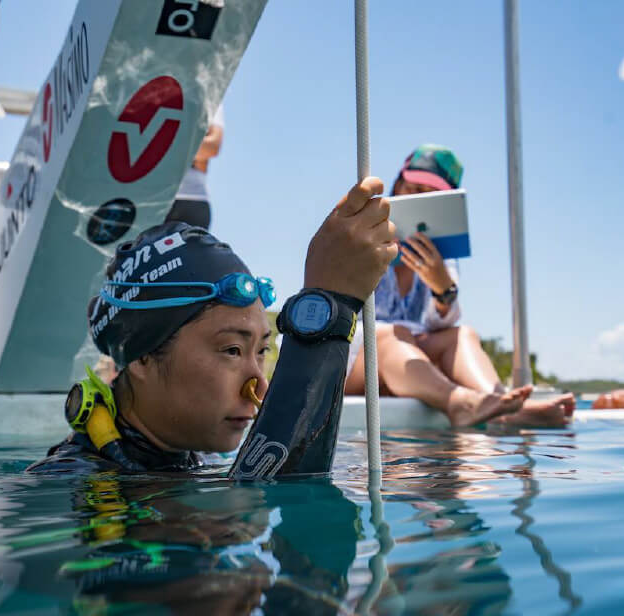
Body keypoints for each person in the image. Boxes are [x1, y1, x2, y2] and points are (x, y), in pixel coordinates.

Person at [28, 177, 397, 477]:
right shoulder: (69, 493)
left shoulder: (188, 464)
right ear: (141, 355)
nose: (259, 385)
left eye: (261, 351)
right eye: (232, 350)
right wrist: (329, 306)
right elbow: (283, 498)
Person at [344, 144, 575, 427]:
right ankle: (460, 404)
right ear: (398, 184)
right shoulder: (363, 238)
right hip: (353, 363)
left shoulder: (444, 257)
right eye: (411, 188)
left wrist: (442, 289)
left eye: (428, 195)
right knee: (393, 334)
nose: (416, 197)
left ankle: (498, 402)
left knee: (463, 334)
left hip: (410, 365)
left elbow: (441, 325)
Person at [164, 104, 223, 230]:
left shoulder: (209, 95)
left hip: (190, 201)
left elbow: (211, 148)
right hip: (139, 198)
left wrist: (156, 143)